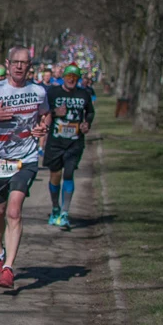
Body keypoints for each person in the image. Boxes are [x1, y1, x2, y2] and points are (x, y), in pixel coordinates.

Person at [0, 47, 50, 290]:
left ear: (29, 65)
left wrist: (42, 127)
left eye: (23, 63)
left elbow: (45, 115)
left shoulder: (38, 91)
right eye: (14, 62)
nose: (18, 67)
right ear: (7, 64)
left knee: (14, 211)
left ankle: (8, 269)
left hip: (25, 159)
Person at [44, 64, 96, 229]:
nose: (72, 80)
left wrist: (87, 123)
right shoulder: (52, 93)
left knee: (68, 174)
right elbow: (43, 112)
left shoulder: (83, 94)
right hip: (55, 142)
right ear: (63, 78)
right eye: (68, 77)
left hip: (74, 142)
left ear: (78, 79)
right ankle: (55, 209)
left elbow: (90, 112)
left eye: (75, 77)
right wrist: (53, 113)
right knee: (55, 175)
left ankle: (65, 213)